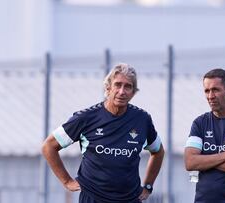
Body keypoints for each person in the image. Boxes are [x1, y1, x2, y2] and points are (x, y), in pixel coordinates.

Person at [41, 63, 165, 203]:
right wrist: (67, 181)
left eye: (128, 86)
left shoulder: (142, 119)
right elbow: (49, 146)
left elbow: (158, 152)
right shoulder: (86, 118)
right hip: (94, 198)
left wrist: (148, 186)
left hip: (130, 198)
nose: (122, 91)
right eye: (118, 85)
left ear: (133, 92)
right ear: (108, 87)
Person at [184, 68, 225, 203]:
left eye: (215, 90)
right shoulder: (199, 123)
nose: (210, 96)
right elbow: (190, 162)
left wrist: (203, 161)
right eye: (207, 91)